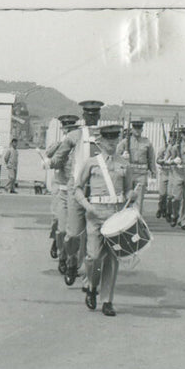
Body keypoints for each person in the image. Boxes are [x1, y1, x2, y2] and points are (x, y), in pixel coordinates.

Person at [71, 122, 140, 317]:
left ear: (118, 140)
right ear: (100, 141)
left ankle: (107, 300)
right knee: (93, 257)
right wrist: (87, 206)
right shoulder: (92, 163)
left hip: (115, 214)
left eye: (115, 138)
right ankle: (92, 286)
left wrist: (131, 195)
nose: (112, 143)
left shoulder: (124, 164)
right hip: (95, 213)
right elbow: (77, 189)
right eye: (108, 139)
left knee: (111, 259)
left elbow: (128, 189)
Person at [48, 100, 104, 284]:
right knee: (73, 233)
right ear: (83, 116)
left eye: (95, 114)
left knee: (96, 236)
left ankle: (89, 277)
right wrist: (53, 162)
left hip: (97, 188)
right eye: (88, 115)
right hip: (76, 187)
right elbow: (59, 157)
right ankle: (71, 261)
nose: (92, 118)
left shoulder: (105, 137)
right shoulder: (76, 135)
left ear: (99, 116)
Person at [45, 114, 79, 261]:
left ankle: (63, 255)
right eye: (66, 128)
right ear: (63, 129)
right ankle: (56, 240)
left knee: (69, 226)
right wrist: (60, 145)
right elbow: (49, 156)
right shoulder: (60, 144)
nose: (68, 131)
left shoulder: (79, 146)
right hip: (59, 185)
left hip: (71, 187)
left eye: (71, 128)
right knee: (56, 219)